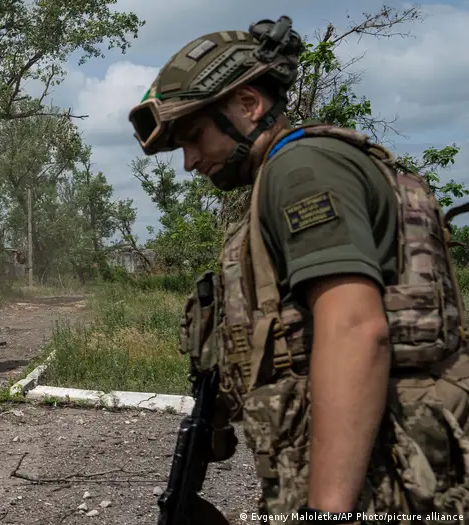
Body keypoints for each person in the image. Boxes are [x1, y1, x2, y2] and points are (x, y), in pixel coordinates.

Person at [129, 15, 469, 525]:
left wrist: (326, 512)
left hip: (382, 478)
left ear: (248, 105)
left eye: (194, 136)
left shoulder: (300, 171)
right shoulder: (292, 171)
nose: (190, 161)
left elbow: (355, 328)